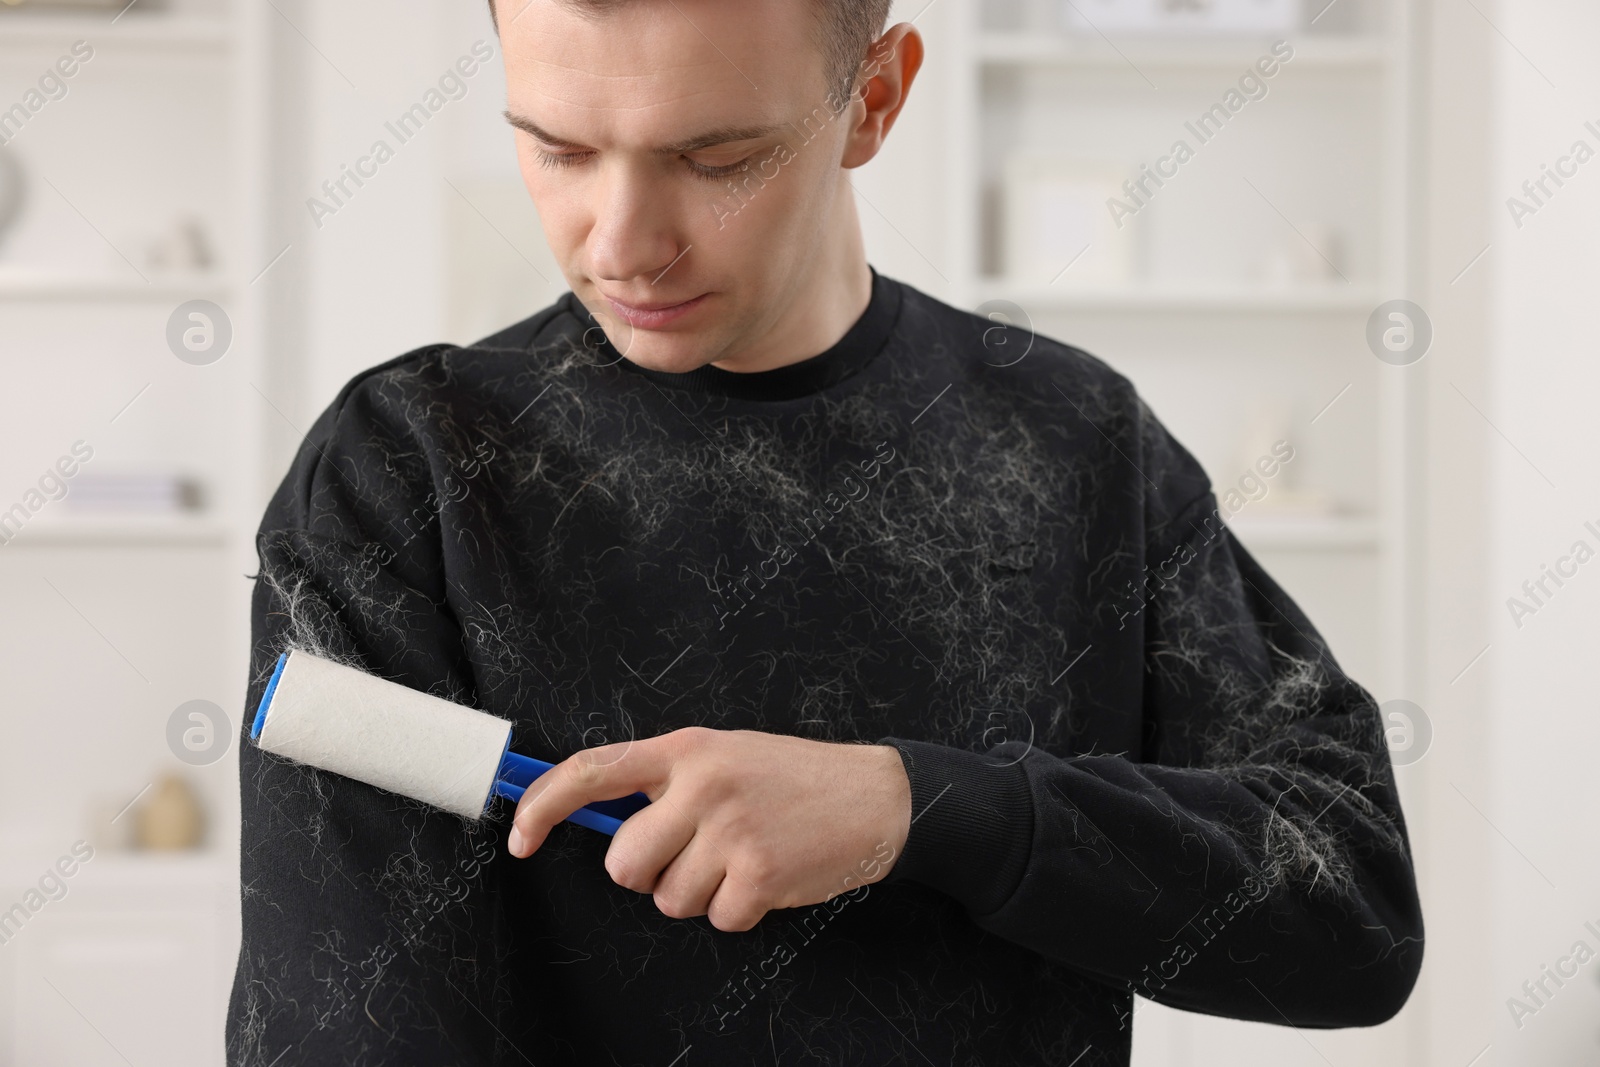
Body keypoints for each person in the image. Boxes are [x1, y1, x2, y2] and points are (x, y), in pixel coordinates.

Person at [225, 0, 1424, 1063]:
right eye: (559, 148)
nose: (622, 242)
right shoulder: (405, 470)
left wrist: (921, 810)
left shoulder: (1076, 438)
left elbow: (1351, 916)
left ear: (875, 99)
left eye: (717, 158)